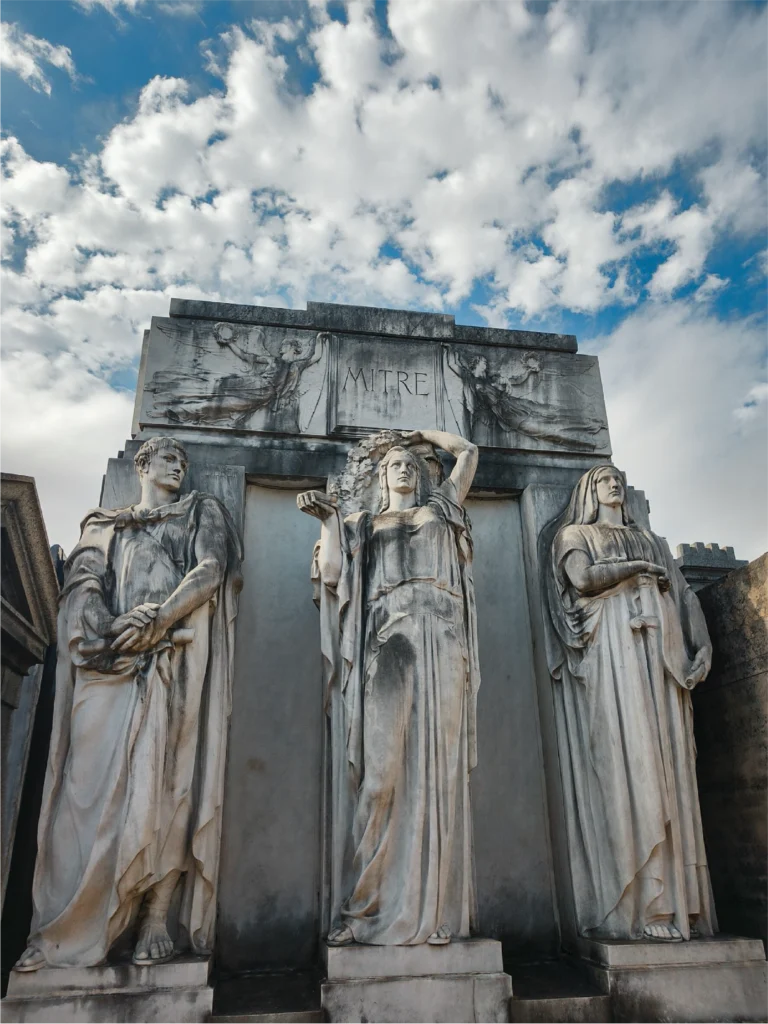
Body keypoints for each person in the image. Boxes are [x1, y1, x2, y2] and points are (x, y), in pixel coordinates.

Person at [15, 437, 241, 971]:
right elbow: (82, 586)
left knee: (166, 783)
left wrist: (160, 619)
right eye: (168, 458)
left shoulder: (201, 510)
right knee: (83, 791)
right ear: (142, 464)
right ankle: (66, 929)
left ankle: (154, 916)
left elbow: (210, 569)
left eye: (182, 461)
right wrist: (115, 625)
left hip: (173, 660)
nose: (178, 467)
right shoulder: (105, 525)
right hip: (109, 661)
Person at [298, 429, 480, 946]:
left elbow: (467, 452)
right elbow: (332, 575)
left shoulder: (442, 511)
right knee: (379, 778)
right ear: (380, 477)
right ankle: (365, 910)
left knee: (438, 775)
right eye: (394, 464)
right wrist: (328, 521)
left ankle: (438, 910)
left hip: (444, 639)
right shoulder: (363, 522)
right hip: (389, 639)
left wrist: (420, 434)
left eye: (410, 464)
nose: (403, 469)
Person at [545, 464, 716, 942]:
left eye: (617, 477)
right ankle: (646, 902)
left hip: (662, 660)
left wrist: (702, 645)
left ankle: (682, 902)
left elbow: (684, 595)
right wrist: (635, 571)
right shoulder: (575, 534)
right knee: (632, 764)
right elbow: (581, 579)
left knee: (670, 770)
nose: (613, 484)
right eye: (603, 480)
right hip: (613, 657)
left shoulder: (654, 541)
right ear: (589, 491)